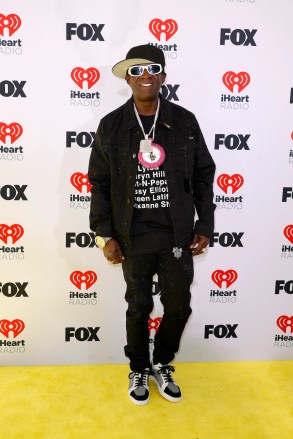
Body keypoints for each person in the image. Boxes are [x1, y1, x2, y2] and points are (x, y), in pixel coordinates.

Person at [88, 44, 216, 405]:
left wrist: (204, 223)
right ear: (127, 78)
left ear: (163, 76)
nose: (145, 75)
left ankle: (162, 362)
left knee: (178, 306)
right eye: (136, 70)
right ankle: (139, 367)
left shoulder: (184, 121)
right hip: (133, 236)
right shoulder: (111, 125)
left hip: (176, 233)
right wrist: (103, 234)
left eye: (152, 68)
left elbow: (204, 174)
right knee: (138, 306)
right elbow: (98, 182)